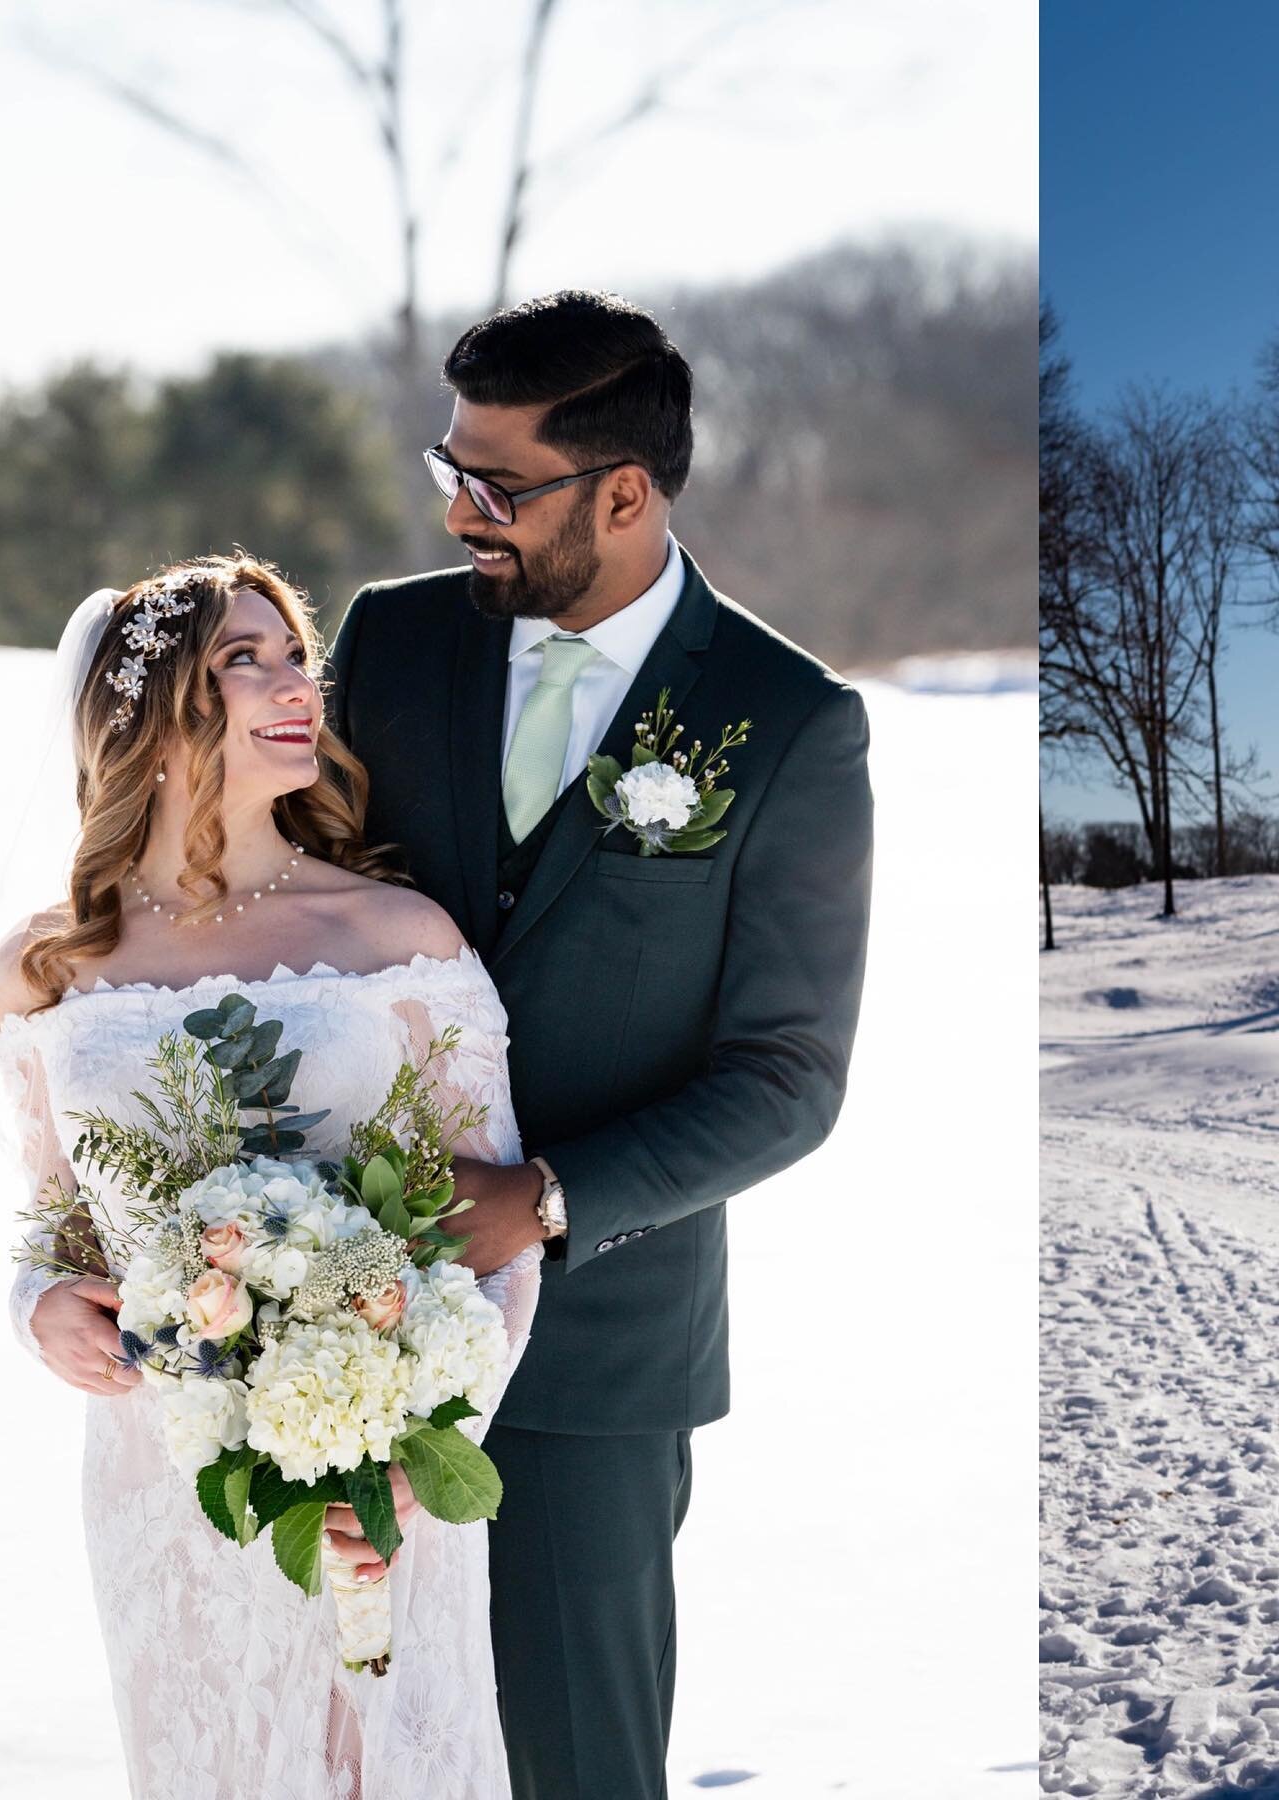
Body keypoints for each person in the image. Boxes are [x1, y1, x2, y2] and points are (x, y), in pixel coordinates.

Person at [326, 289, 875, 1800]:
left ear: (623, 493)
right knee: (351, 1747)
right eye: (449, 470)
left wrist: (551, 1197)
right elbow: (281, 913)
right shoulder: (384, 645)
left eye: (496, 490)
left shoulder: (786, 721)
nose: (459, 513)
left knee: (579, 1762)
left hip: (599, 1353)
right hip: (330, 1323)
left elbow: (790, 1079)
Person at [0, 552, 541, 1800]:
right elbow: (54, 1220)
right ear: (151, 712)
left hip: (373, 1472)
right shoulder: (48, 965)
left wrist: (419, 1448)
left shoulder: (398, 940)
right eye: (246, 659)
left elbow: (492, 1231)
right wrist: (37, 1307)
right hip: (160, 1473)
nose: (295, 685)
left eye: (296, 656)